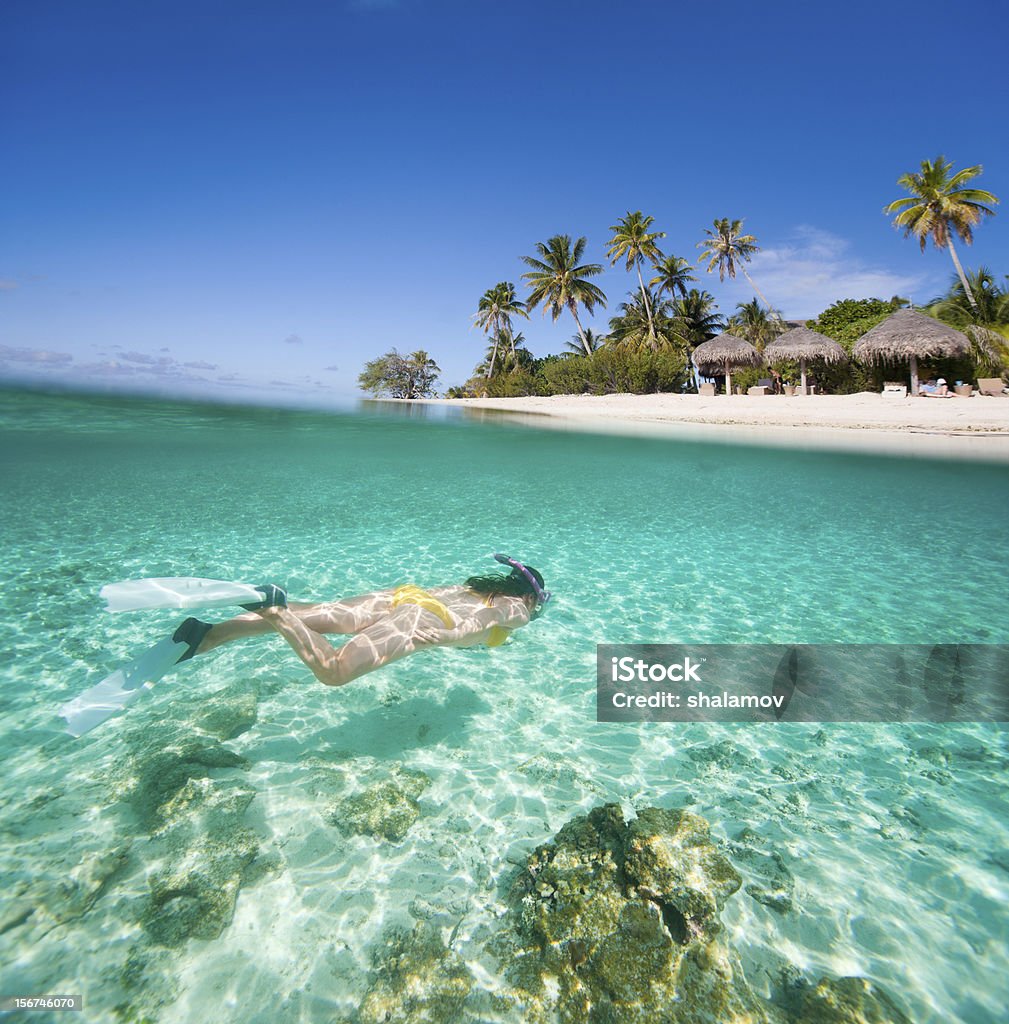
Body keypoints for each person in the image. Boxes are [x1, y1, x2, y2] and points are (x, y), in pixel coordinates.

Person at [171, 554, 551, 688]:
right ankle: (273, 609)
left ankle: (207, 637)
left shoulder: (473, 585)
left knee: (313, 616)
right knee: (334, 671)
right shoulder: (520, 607)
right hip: (423, 617)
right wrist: (444, 637)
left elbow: (470, 604)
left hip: (403, 596)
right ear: (531, 595)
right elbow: (487, 618)